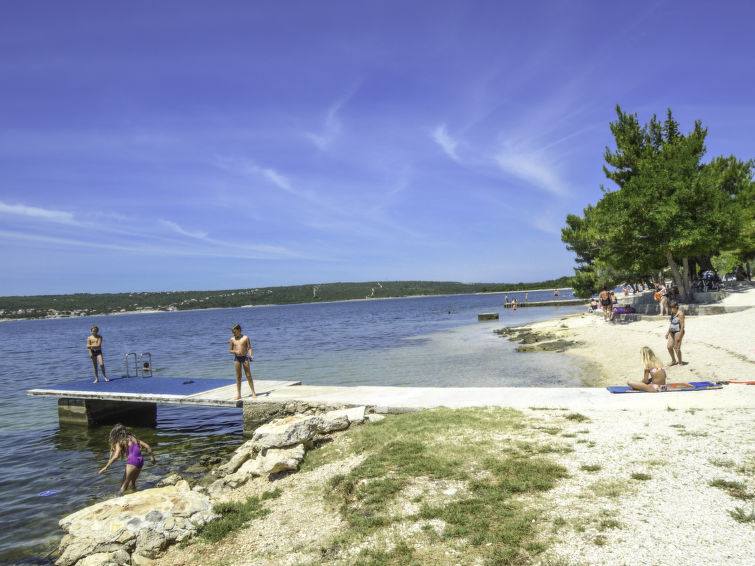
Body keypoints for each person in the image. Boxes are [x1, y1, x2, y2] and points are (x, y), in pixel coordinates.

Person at [98, 423, 155, 493]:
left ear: (116, 434)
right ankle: (136, 494)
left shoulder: (119, 441)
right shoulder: (133, 438)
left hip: (133, 462)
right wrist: (152, 458)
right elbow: (147, 446)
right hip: (140, 461)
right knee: (132, 484)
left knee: (123, 486)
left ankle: (120, 501)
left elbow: (116, 456)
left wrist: (106, 467)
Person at [230, 324, 256, 399]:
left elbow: (249, 348)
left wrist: (251, 355)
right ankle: (238, 394)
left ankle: (253, 392)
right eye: (233, 333)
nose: (234, 334)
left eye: (235, 332)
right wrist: (235, 352)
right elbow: (230, 350)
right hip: (237, 359)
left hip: (245, 358)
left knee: (248, 375)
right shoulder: (232, 339)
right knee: (238, 376)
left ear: (239, 330)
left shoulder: (245, 338)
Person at [666, 301, 685, 366]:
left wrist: (680, 335)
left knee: (676, 347)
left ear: (676, 307)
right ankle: (673, 360)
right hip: (672, 331)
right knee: (669, 347)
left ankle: (680, 362)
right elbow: (671, 323)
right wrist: (667, 333)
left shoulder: (681, 314)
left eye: (672, 308)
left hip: (678, 331)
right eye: (670, 308)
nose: (671, 309)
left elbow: (682, 326)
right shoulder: (672, 313)